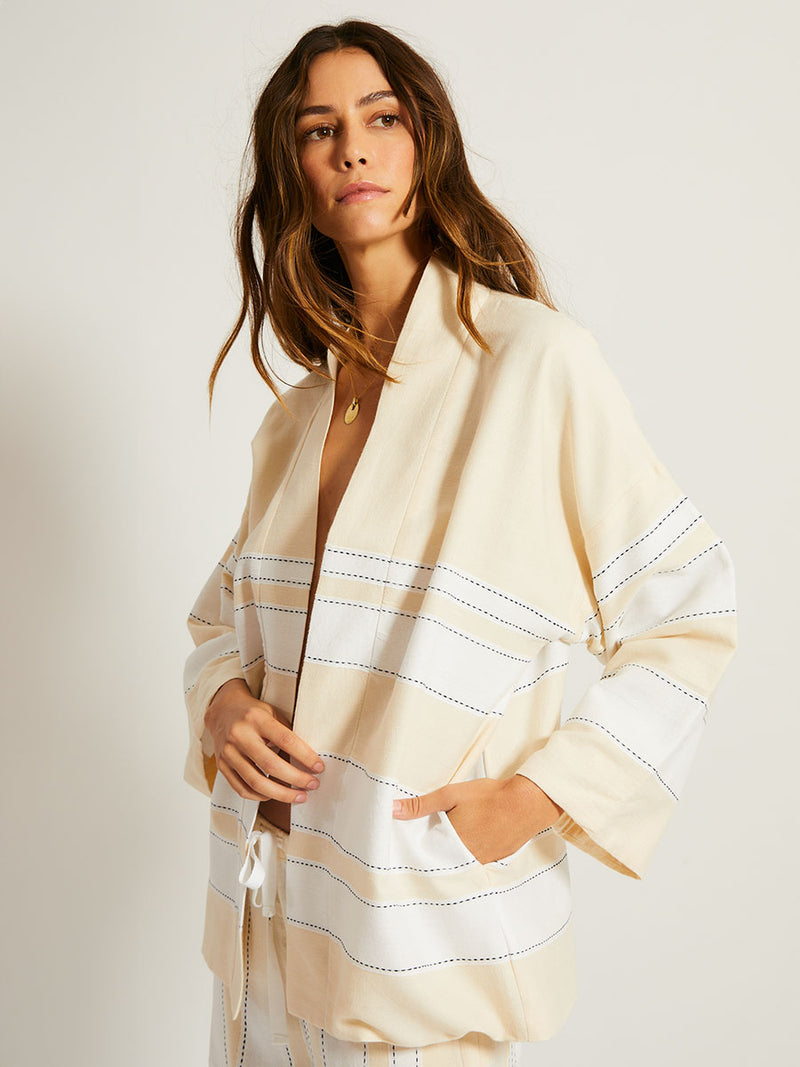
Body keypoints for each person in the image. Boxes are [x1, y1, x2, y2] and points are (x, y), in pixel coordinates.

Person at [183, 19, 737, 1067]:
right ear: (292, 173)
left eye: (381, 118)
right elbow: (218, 621)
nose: (353, 149)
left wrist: (540, 795)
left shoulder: (534, 364)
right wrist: (219, 703)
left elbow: (690, 605)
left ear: (425, 140)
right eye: (318, 129)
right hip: (262, 928)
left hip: (416, 937)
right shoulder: (296, 419)